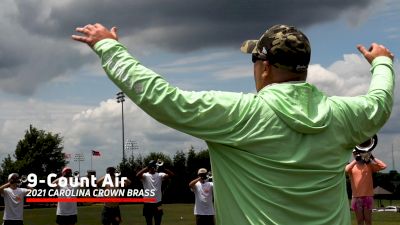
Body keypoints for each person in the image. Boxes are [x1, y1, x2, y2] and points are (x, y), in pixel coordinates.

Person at [72, 23, 395, 225]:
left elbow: (161, 97)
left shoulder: (239, 114)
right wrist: (381, 62)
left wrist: (109, 47)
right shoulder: (344, 115)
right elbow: (379, 102)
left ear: (264, 67)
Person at [345, 147, 387, 225]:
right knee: (360, 221)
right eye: (354, 153)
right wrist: (355, 160)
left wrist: (372, 158)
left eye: (357, 153)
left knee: (368, 220)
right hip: (356, 197)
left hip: (368, 196)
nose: (356, 155)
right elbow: (346, 170)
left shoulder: (369, 166)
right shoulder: (352, 167)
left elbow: (383, 166)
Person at [136, 160, 174, 225]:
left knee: (158, 222)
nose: (154, 168)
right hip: (147, 203)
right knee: (149, 223)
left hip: (157, 203)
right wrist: (147, 167)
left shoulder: (160, 175)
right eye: (152, 166)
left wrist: (164, 168)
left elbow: (172, 175)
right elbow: (137, 175)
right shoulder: (145, 175)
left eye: (154, 166)